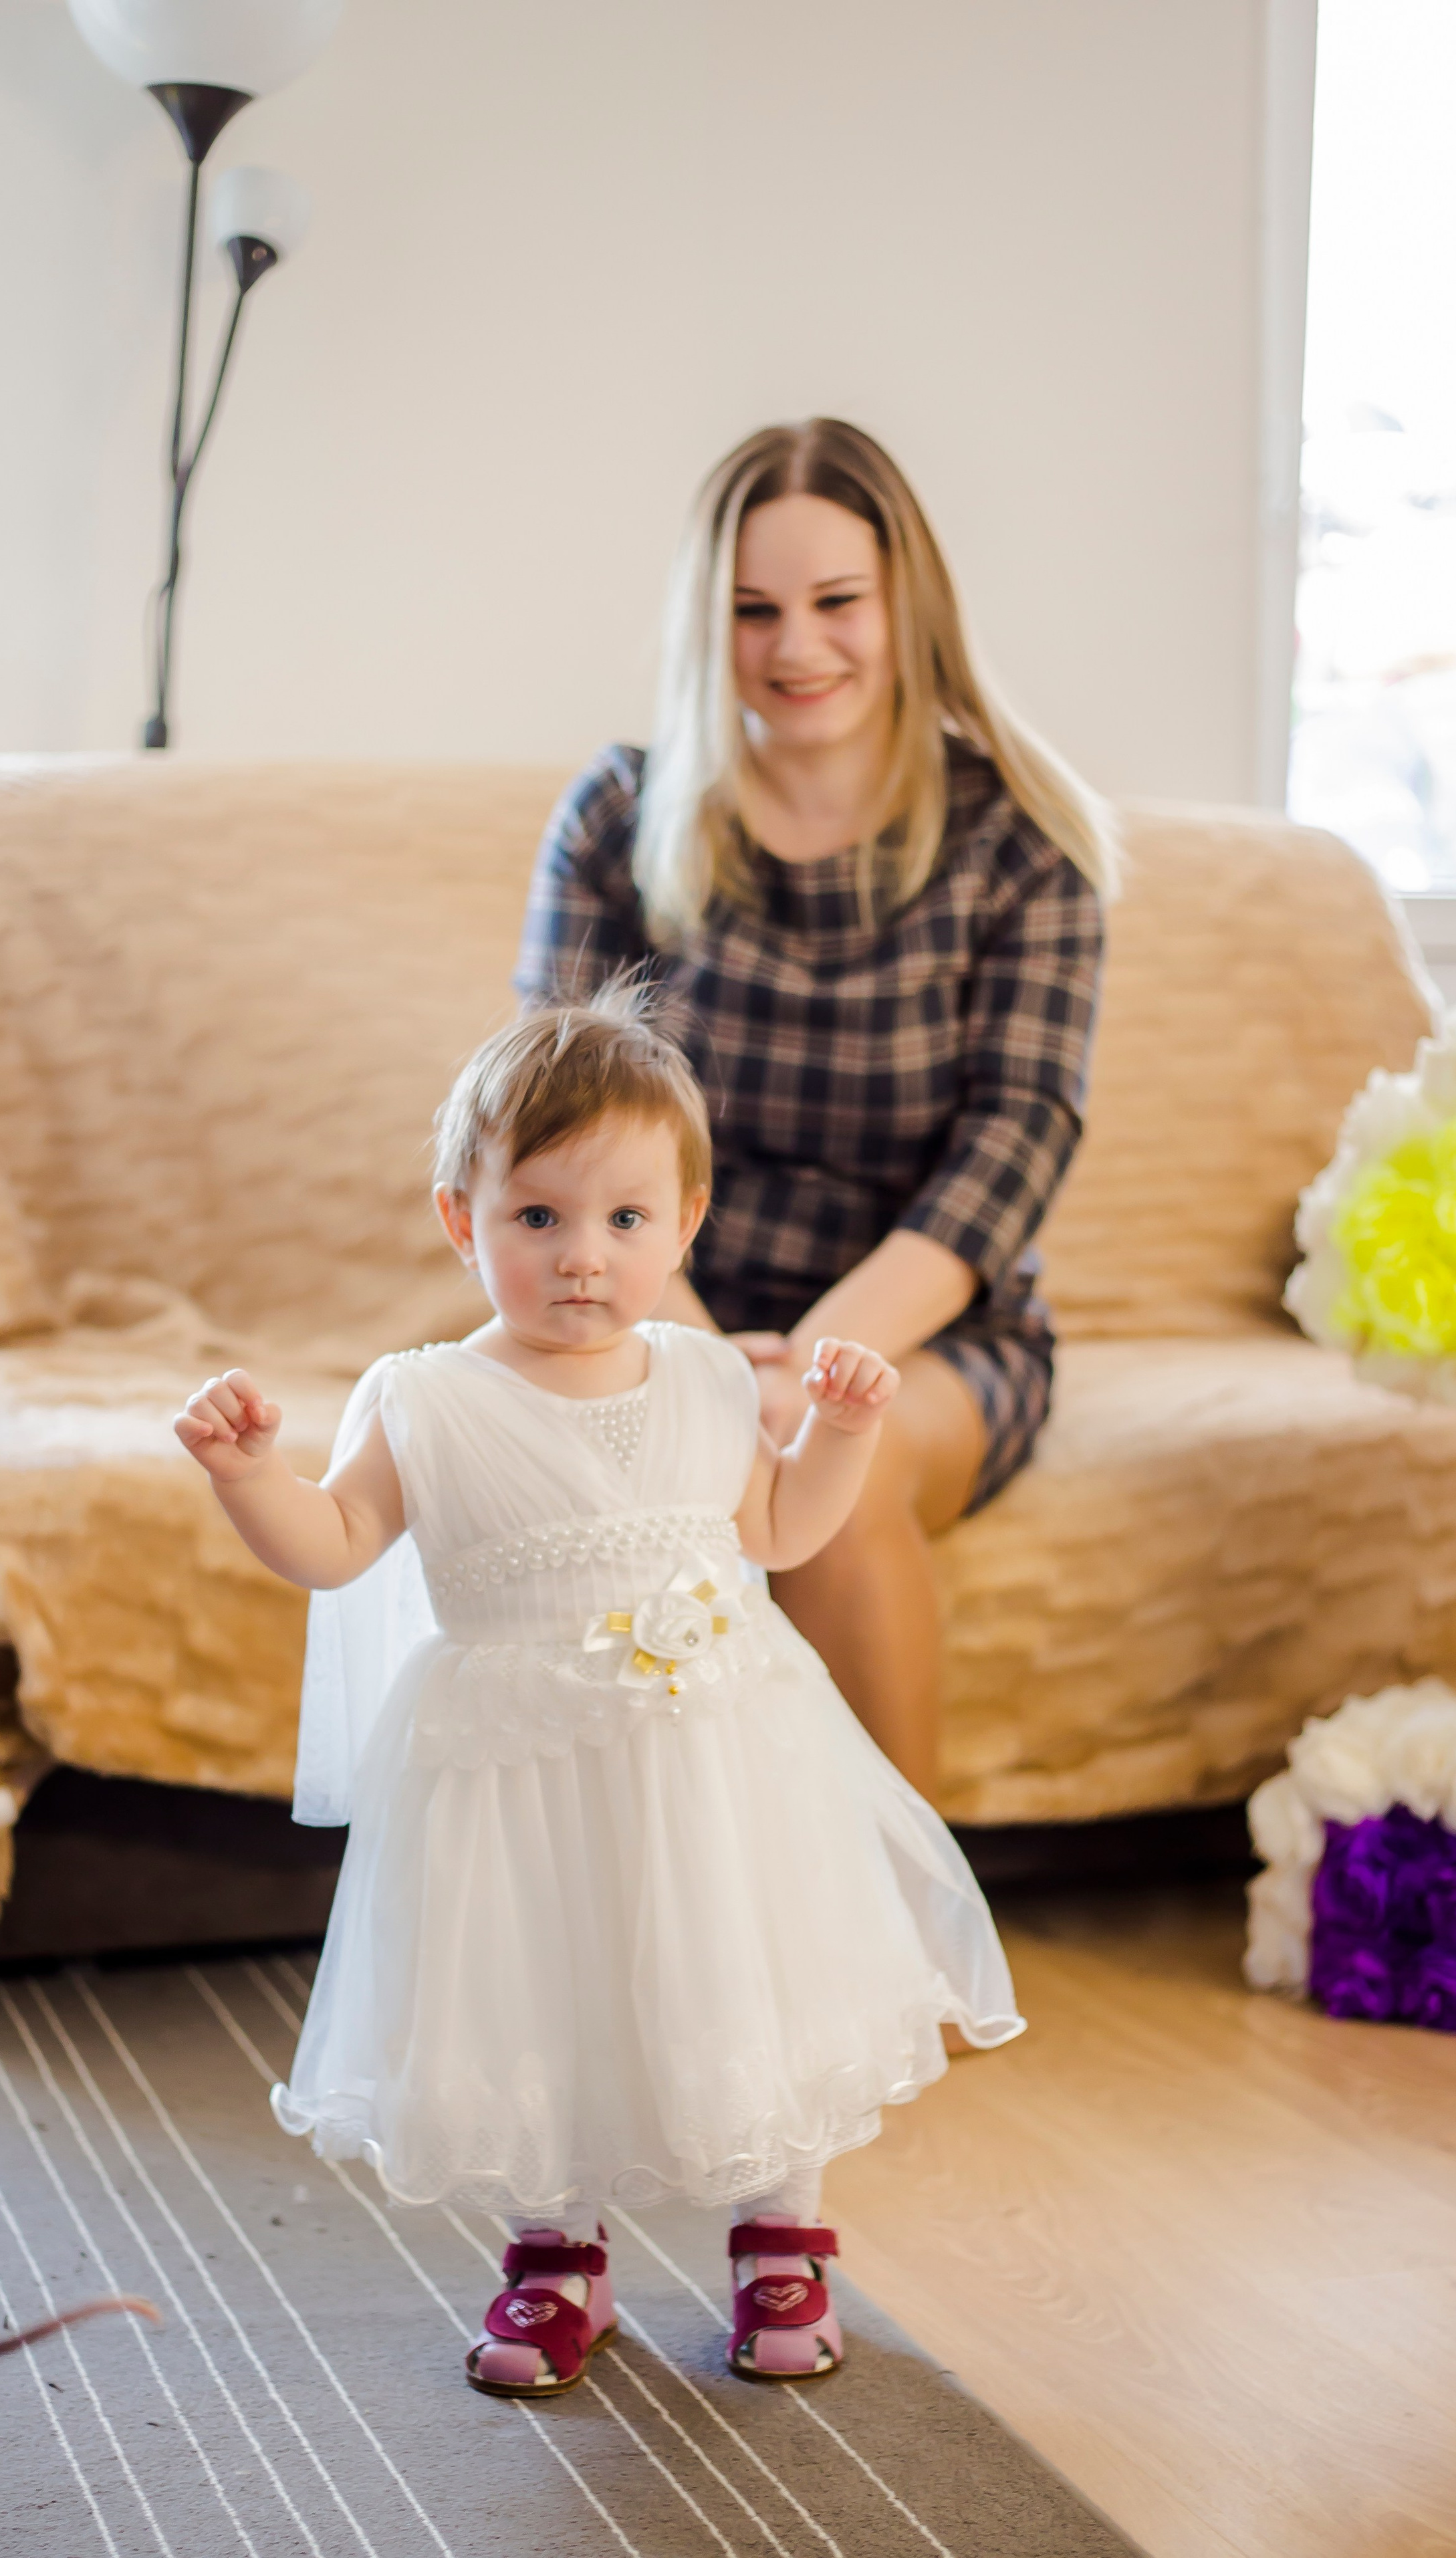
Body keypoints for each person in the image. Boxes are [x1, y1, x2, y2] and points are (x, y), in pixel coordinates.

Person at [175, 993, 1023, 2395]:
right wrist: (252, 1475)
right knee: (542, 1991)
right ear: (463, 1219)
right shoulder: (424, 1397)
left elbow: (777, 1533)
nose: (584, 1258)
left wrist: (842, 1430)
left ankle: (780, 2236)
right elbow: (332, 1548)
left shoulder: (704, 1372)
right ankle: (556, 2255)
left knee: (749, 1970)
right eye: (539, 1218)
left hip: (719, 1756)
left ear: (686, 1222)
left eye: (626, 1221)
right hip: (520, 1770)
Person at [516, 419, 1114, 1800]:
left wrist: (812, 1366)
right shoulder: (616, 816)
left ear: (905, 603)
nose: (797, 648)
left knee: (827, 1480)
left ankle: (904, 1966)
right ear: (703, 623)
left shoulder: (1025, 837)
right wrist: (707, 1360)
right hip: (644, 1307)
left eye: (835, 602)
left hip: (926, 1329)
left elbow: (1013, 1142)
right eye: (752, 610)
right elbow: (546, 1133)